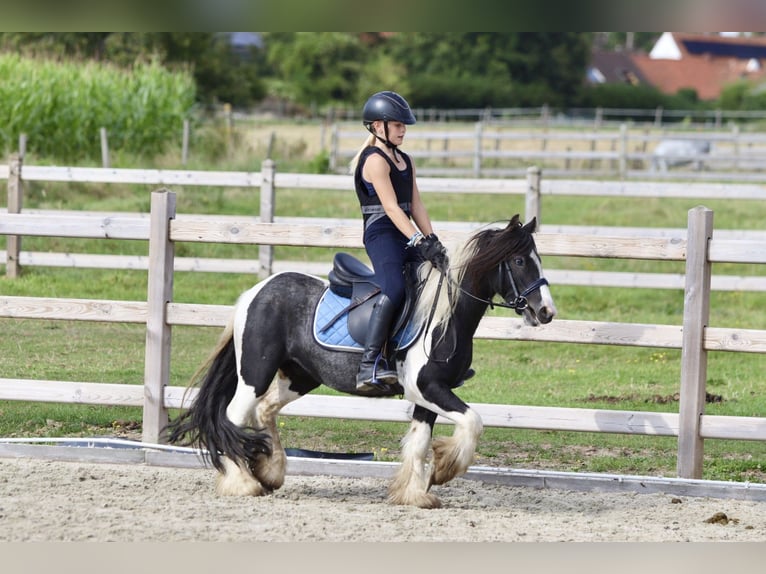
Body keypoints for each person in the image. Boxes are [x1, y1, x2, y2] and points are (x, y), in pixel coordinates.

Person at [349, 90, 449, 391]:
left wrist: (433, 240)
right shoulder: (374, 161)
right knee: (394, 287)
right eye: (397, 124)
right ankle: (369, 364)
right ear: (378, 127)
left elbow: (415, 204)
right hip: (382, 234)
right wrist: (419, 241)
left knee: (436, 283)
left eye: (404, 125)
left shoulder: (406, 160)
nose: (403, 129)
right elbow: (391, 208)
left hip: (406, 232)